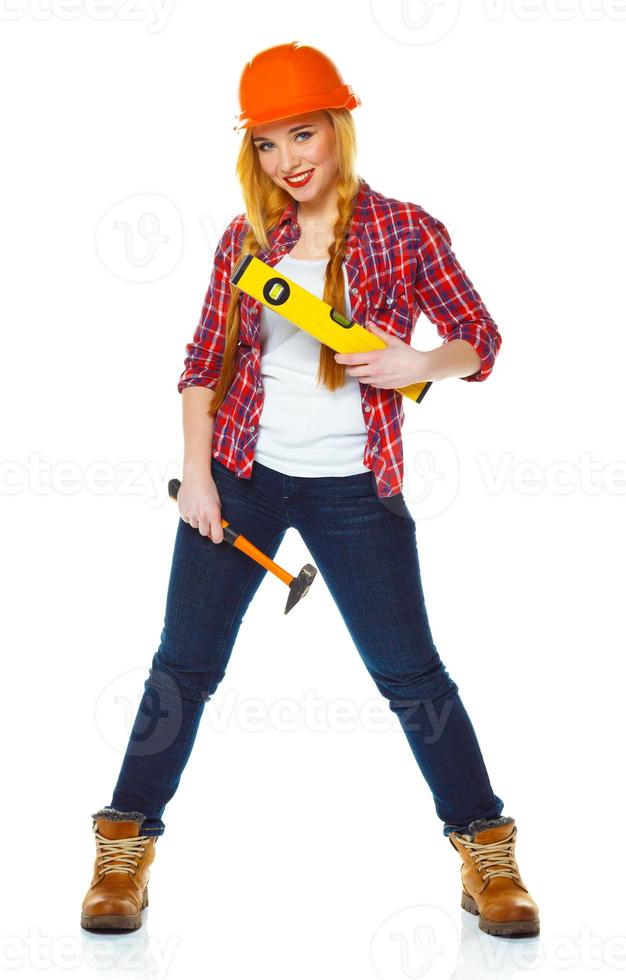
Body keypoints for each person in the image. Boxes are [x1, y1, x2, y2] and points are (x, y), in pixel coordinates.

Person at [81, 41, 539, 938]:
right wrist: (201, 476)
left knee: (412, 674)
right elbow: (202, 365)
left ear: (339, 129)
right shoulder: (246, 241)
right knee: (183, 666)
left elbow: (480, 339)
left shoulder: (406, 228)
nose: (289, 161)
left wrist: (420, 360)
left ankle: (486, 851)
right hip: (244, 479)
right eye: (267, 143)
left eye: (305, 135)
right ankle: (124, 848)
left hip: (355, 487)